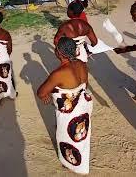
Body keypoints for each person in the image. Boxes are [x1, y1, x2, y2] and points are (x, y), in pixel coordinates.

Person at [37, 37, 93, 174]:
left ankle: (74, 165)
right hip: (84, 105)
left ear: (59, 53)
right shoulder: (82, 63)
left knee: (67, 137)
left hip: (70, 112)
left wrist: (47, 95)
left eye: (56, 49)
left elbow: (41, 92)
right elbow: (85, 84)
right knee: (81, 136)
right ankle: (81, 163)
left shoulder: (59, 73)